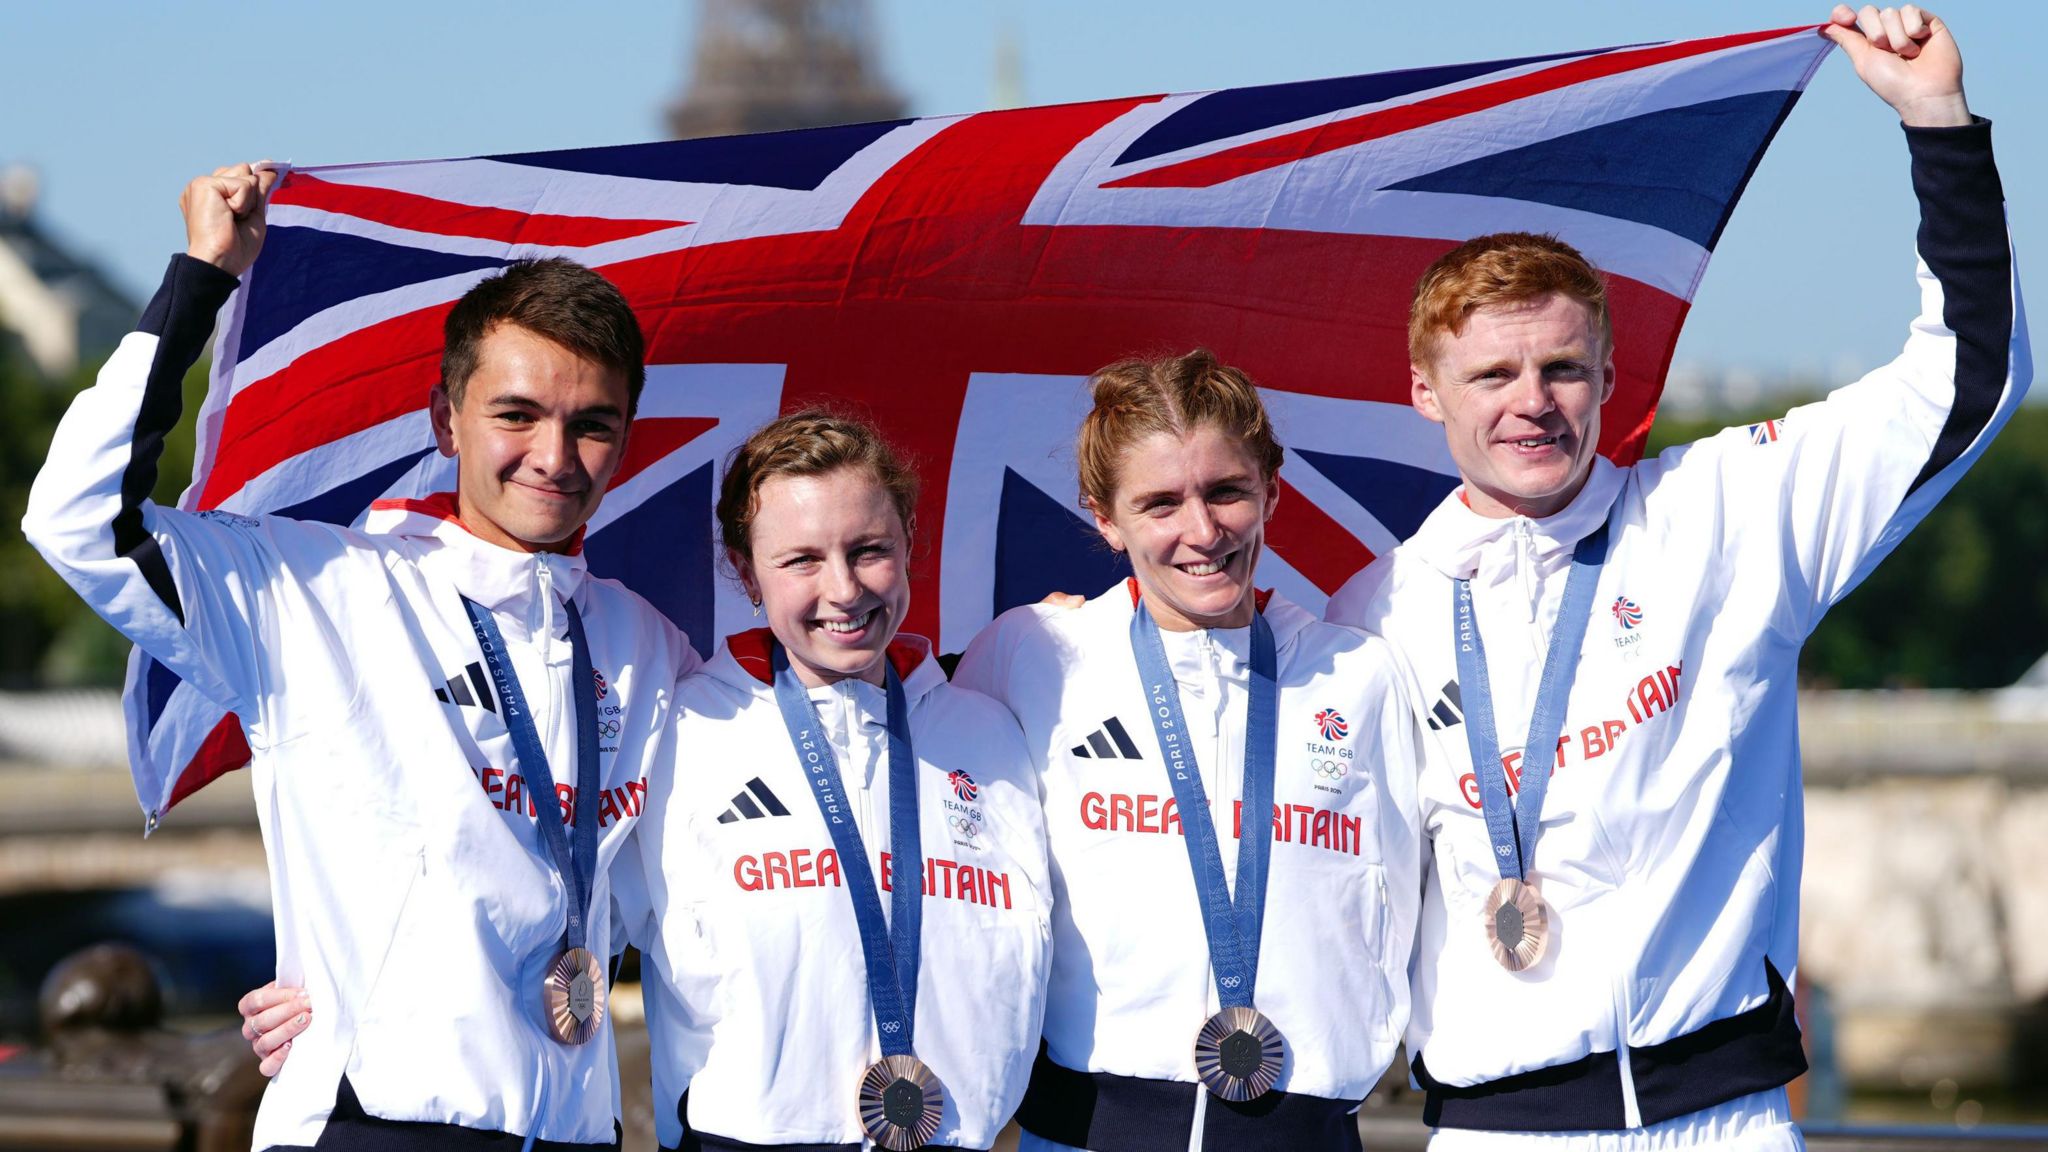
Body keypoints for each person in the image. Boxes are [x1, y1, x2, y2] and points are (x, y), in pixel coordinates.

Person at [1323, 6, 2027, 1148]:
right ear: (1424, 393)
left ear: (1608, 371)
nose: (1530, 401)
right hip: (1496, 1130)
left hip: (1723, 1118)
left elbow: (1967, 379)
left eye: (1560, 366)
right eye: (1491, 371)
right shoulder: (1373, 615)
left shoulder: (1723, 513)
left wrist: (1935, 124)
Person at [24, 164, 699, 1149]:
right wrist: (201, 275)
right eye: (516, 415)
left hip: (571, 1127)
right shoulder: (316, 589)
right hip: (370, 1121)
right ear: (444, 421)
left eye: (591, 425)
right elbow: (81, 522)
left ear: (624, 440)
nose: (554, 455)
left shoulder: (647, 646)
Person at [954, 351, 1426, 1151]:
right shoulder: (1028, 655)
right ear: (1105, 518)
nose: (1202, 532)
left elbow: (1407, 904)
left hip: (1304, 1133)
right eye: (1161, 503)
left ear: (1272, 490)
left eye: (1227, 492)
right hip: (1088, 1131)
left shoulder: (1360, 673)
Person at [613, 409, 1052, 1151]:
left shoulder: (992, 733)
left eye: (870, 549)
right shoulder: (680, 731)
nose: (844, 590)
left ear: (910, 542)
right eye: (802, 560)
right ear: (747, 571)